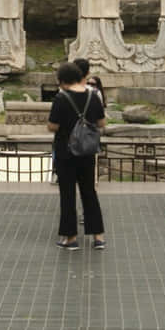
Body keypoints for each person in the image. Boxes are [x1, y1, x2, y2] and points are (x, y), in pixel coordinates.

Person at [48, 62, 106, 250]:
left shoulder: (61, 98)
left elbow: (53, 126)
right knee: (89, 192)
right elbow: (101, 123)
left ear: (63, 80)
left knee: (68, 194)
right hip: (87, 151)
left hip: (66, 152)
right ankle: (98, 236)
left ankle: (70, 238)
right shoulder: (93, 96)